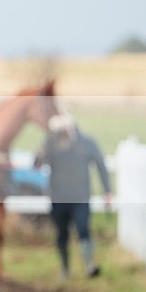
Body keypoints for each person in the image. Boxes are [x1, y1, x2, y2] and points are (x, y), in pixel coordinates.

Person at [35, 114, 112, 279]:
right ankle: (64, 269)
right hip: (58, 197)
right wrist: (39, 153)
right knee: (62, 234)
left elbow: (100, 165)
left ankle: (89, 265)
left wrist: (107, 190)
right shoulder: (50, 143)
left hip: (80, 197)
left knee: (83, 228)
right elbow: (36, 164)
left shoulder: (85, 143)